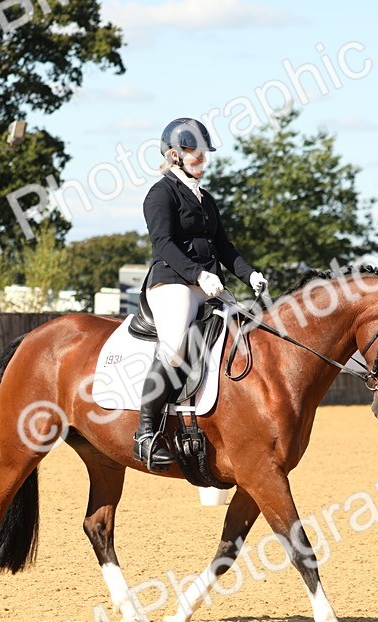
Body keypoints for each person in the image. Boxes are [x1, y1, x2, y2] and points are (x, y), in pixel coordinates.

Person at [133, 117, 268, 471]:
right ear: (175, 155)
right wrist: (197, 274)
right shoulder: (160, 194)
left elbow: (223, 246)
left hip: (208, 285)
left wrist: (249, 272)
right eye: (196, 154)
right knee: (176, 345)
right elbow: (162, 244)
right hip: (172, 284)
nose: (203, 160)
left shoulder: (205, 198)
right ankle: (145, 433)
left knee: (249, 329)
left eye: (205, 154)